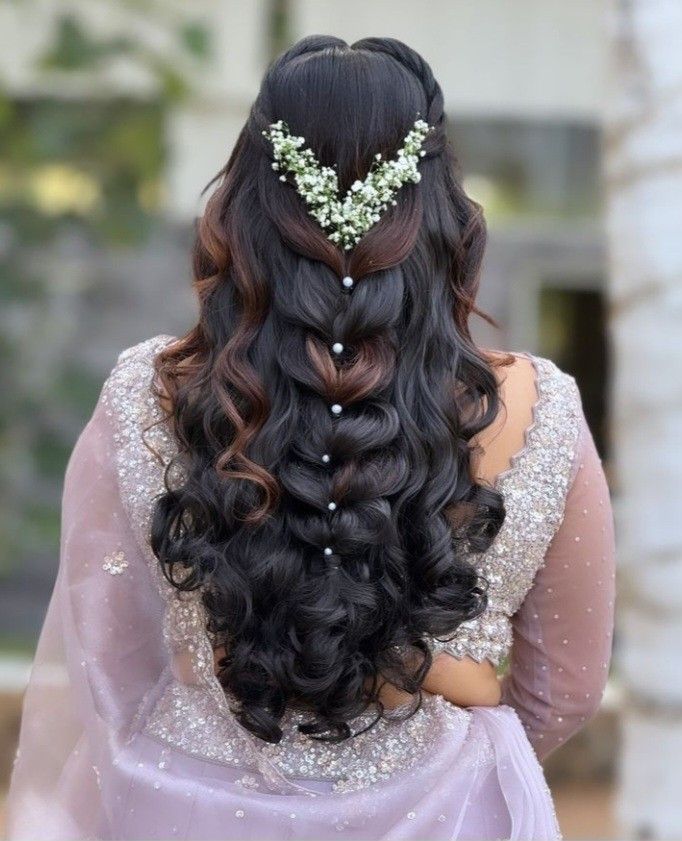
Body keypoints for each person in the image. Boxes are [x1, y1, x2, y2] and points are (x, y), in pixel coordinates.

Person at [5, 35, 616, 841]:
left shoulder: (150, 392)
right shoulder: (541, 406)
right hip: (454, 814)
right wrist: (449, 722)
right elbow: (565, 692)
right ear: (441, 209)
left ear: (244, 203)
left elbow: (104, 667)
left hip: (184, 810)